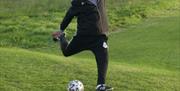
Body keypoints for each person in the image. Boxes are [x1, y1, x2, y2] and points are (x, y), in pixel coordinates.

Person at [52, 0, 113, 90]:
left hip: (99, 38)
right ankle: (61, 37)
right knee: (66, 52)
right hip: (82, 37)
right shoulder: (78, 2)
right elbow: (69, 15)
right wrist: (61, 30)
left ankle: (100, 85)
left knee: (103, 57)